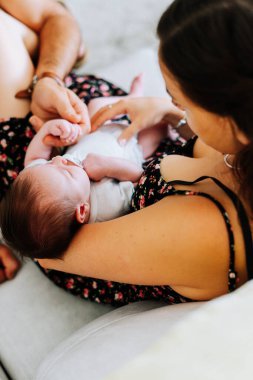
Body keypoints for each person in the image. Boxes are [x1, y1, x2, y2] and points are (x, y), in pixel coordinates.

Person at [34, 0, 253, 306]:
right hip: (136, 159)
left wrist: (42, 165)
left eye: (183, 102)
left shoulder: (204, 230)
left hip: (76, 228)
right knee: (80, 100)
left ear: (237, 123)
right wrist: (167, 114)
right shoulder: (242, 145)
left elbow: (49, 252)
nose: (175, 105)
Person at [0, 0, 138, 283]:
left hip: (34, 127)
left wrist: (48, 78)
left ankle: (46, 53)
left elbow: (56, 18)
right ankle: (41, 45)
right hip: (40, 220)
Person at [0, 78, 168, 259]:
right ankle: (165, 126)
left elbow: (35, 158)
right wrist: (108, 167)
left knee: (95, 105)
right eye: (66, 172)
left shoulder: (42, 177)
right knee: (158, 128)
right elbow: (139, 178)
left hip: (93, 132)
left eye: (49, 164)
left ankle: (132, 97)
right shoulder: (107, 205)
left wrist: (49, 129)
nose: (58, 159)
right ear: (82, 210)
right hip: (131, 144)